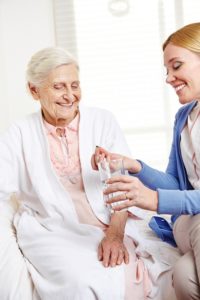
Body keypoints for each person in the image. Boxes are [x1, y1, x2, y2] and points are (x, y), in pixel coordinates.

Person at [0, 46, 157, 300]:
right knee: (78, 281)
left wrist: (115, 235)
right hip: (53, 226)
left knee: (124, 273)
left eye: (75, 85)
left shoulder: (102, 120)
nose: (70, 96)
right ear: (34, 90)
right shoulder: (19, 133)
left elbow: (123, 185)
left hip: (109, 220)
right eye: (59, 87)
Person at [92, 22, 200, 300]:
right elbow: (176, 184)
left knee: (186, 277)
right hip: (190, 223)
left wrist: (152, 200)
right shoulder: (184, 118)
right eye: (167, 70)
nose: (169, 78)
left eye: (176, 66)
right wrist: (135, 166)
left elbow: (165, 198)